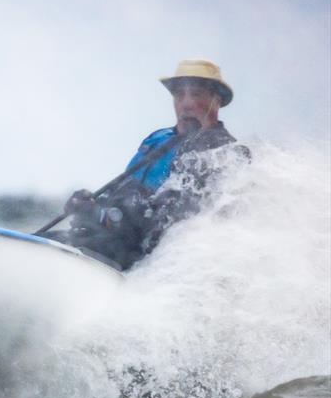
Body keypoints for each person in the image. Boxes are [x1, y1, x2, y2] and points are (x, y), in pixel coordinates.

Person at [47, 59, 249, 270]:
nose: (186, 103)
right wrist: (88, 206)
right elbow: (121, 192)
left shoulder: (221, 152)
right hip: (108, 239)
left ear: (216, 100)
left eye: (196, 94)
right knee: (44, 240)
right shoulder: (158, 138)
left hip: (140, 260)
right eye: (179, 95)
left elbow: (168, 223)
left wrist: (103, 217)